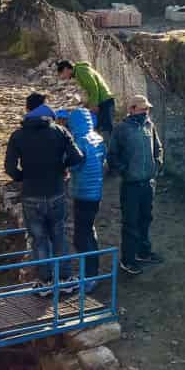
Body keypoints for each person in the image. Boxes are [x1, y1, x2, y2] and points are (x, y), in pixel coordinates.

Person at [4, 94, 84, 294]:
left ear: (27, 110)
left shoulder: (18, 136)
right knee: (59, 236)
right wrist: (61, 167)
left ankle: (45, 282)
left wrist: (24, 177)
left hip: (31, 195)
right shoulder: (59, 131)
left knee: (39, 240)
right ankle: (66, 280)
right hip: (56, 191)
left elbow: (9, 168)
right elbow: (77, 157)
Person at [107, 94, 163, 275]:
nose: (145, 112)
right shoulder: (121, 129)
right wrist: (125, 171)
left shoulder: (150, 125)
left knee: (146, 219)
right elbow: (112, 155)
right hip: (131, 185)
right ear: (131, 109)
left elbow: (158, 148)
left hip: (148, 183)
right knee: (130, 223)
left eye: (146, 109)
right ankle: (128, 260)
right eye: (142, 108)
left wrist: (157, 165)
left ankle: (143, 252)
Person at [67, 107, 106, 292]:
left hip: (83, 192)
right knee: (89, 231)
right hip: (96, 192)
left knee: (81, 237)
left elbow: (74, 166)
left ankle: (89, 277)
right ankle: (92, 272)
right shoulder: (97, 138)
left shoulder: (79, 142)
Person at [57, 60, 115, 137]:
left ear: (65, 69)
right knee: (101, 127)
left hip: (104, 101)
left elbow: (93, 88)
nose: (63, 77)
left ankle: (111, 148)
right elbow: (90, 90)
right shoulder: (78, 72)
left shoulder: (81, 71)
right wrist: (88, 104)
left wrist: (94, 104)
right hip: (101, 100)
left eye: (62, 74)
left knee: (106, 129)